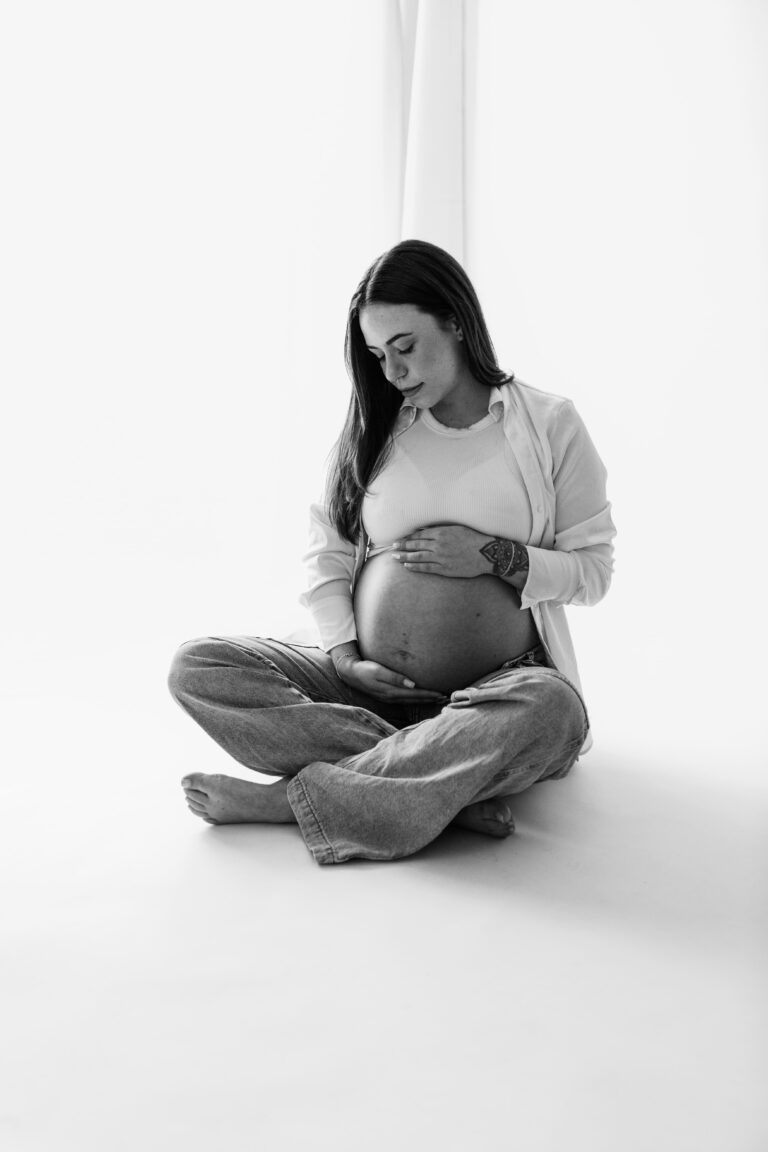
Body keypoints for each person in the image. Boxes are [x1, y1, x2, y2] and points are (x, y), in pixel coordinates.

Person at [167, 239, 616, 865]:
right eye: (379, 356)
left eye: (405, 347)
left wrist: (493, 555)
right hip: (370, 691)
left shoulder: (549, 423)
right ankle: (437, 777)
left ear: (455, 321)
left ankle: (297, 800)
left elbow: (593, 573)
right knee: (199, 667)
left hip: (495, 695)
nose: (394, 372)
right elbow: (327, 551)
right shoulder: (379, 426)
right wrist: (346, 657)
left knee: (552, 710)